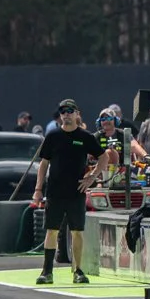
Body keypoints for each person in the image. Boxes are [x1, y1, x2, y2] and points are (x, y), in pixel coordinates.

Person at [34, 100, 107, 285]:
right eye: (62, 111)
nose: (66, 114)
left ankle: (78, 270)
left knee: (77, 232)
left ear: (77, 114)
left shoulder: (85, 137)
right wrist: (38, 189)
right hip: (55, 191)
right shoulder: (53, 136)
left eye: (69, 111)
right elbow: (44, 163)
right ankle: (47, 271)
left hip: (76, 192)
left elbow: (104, 157)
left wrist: (92, 176)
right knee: (52, 230)